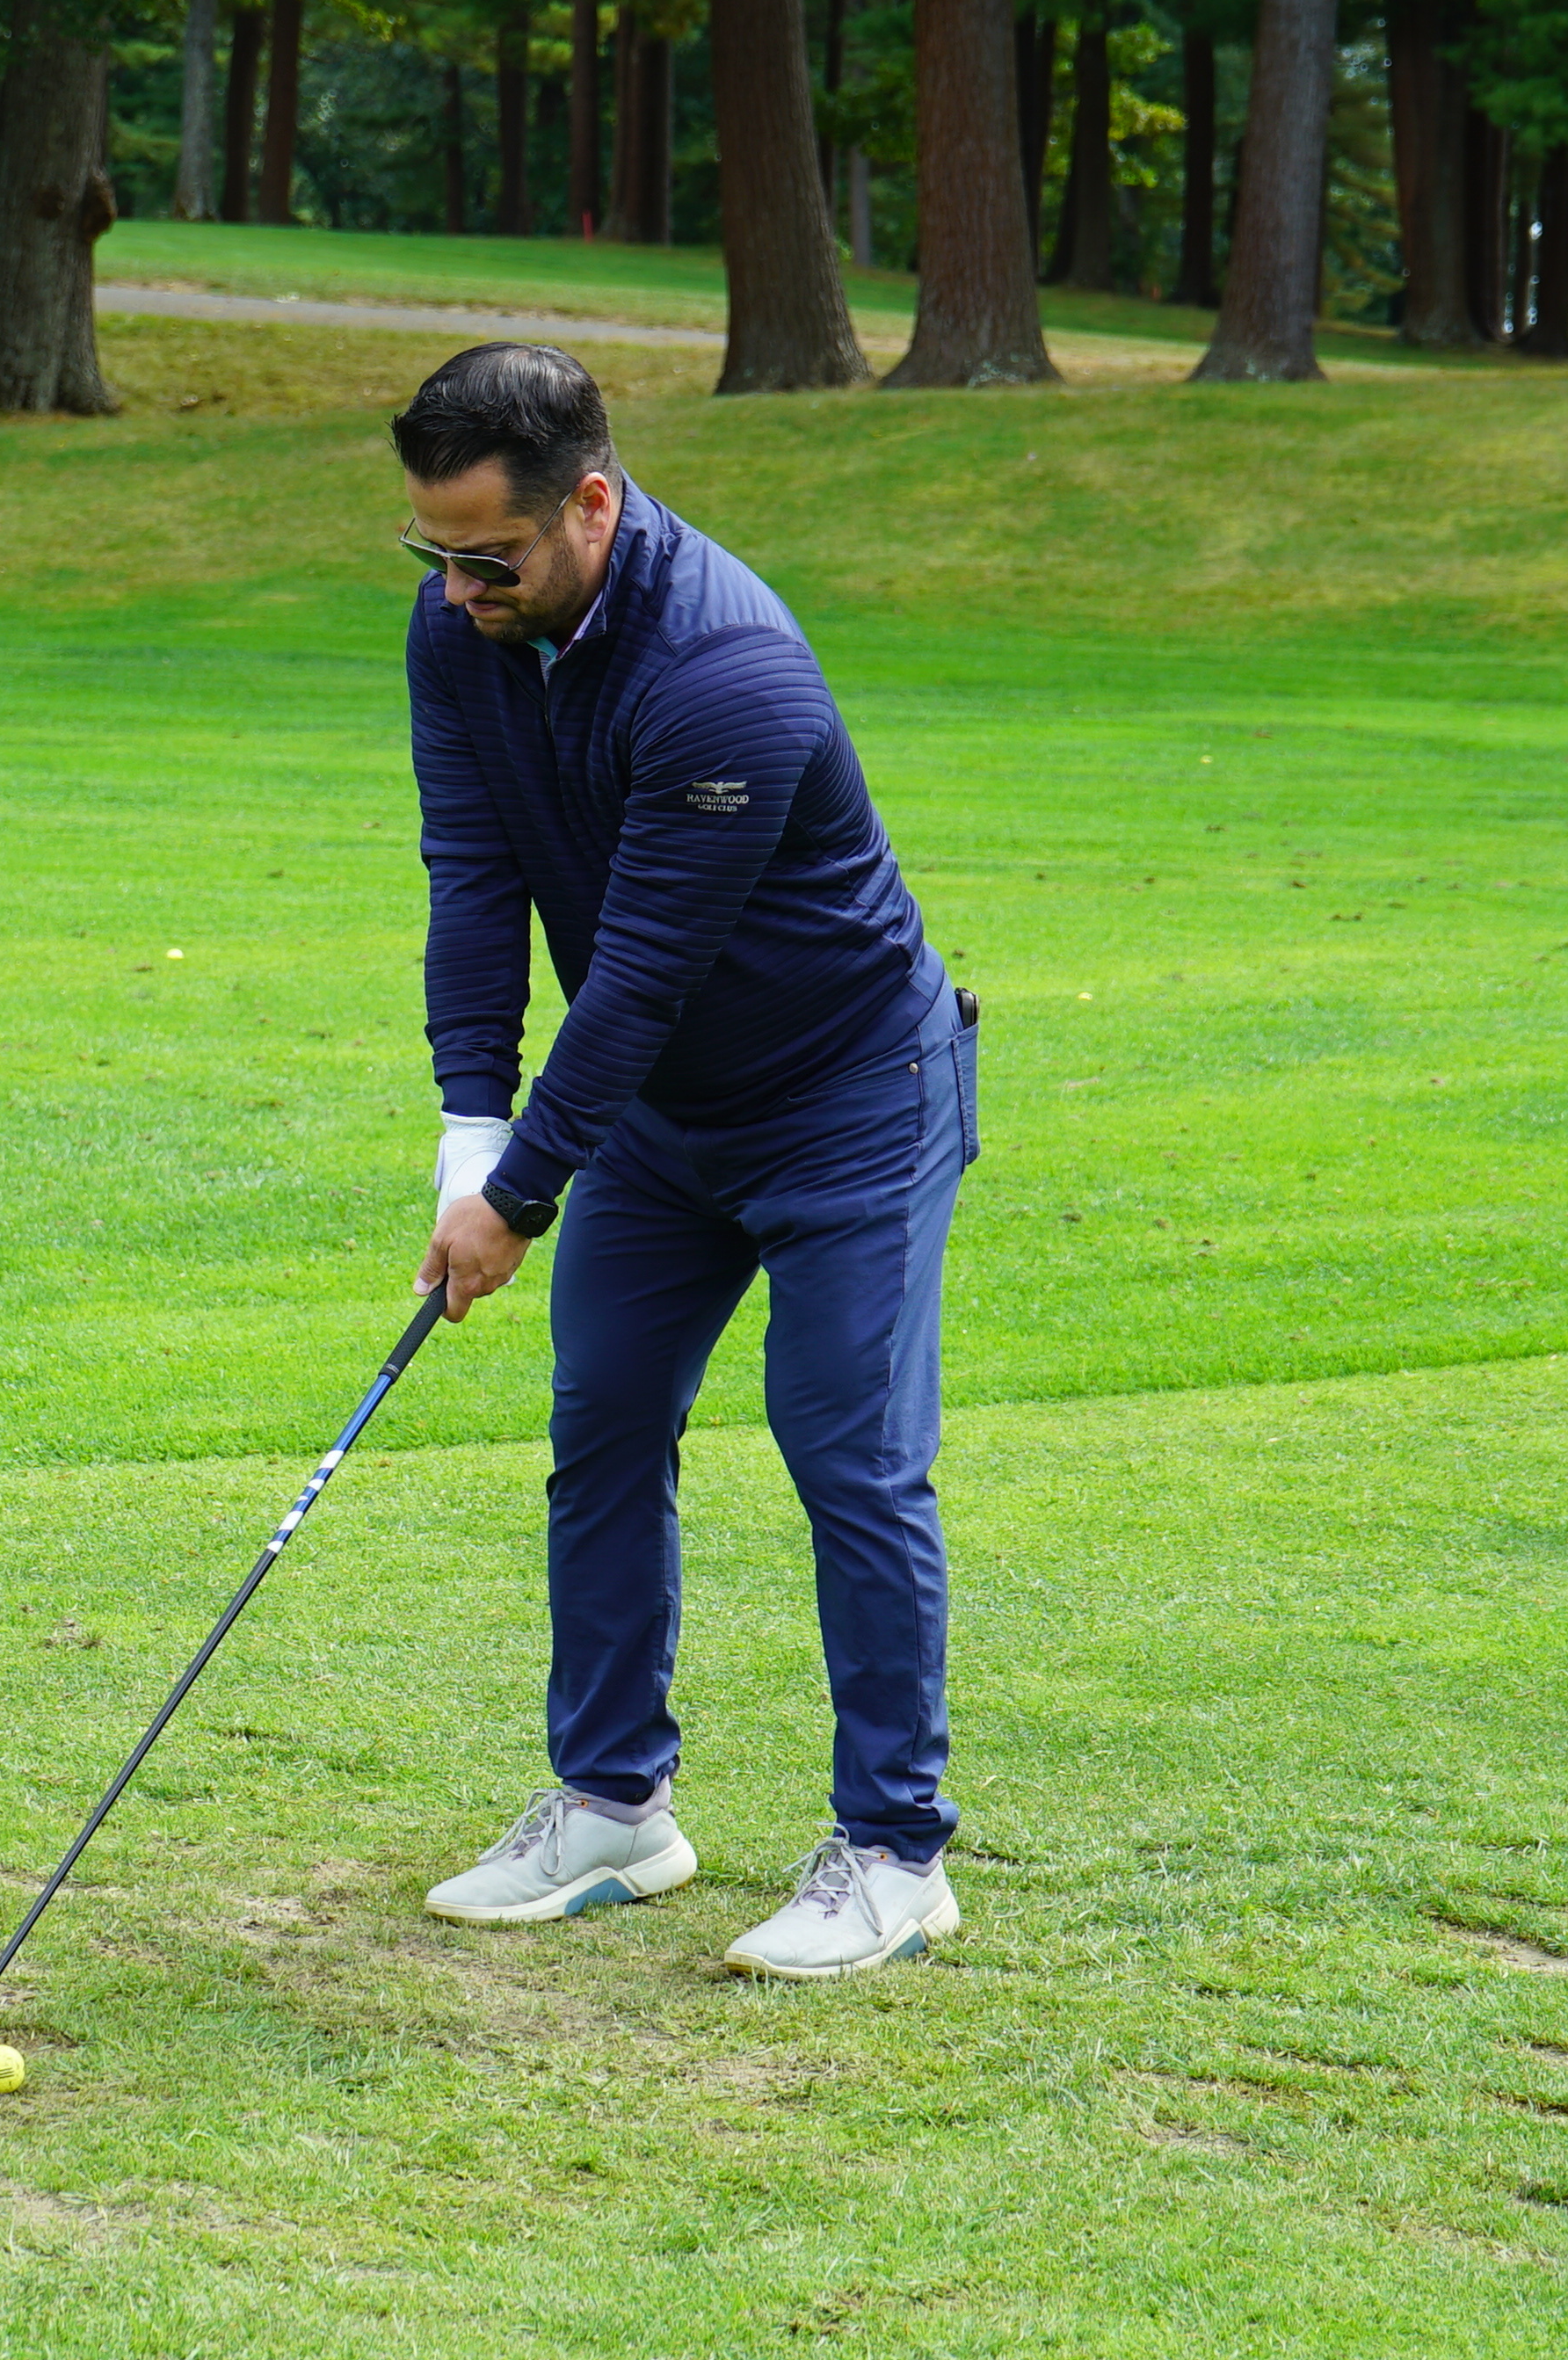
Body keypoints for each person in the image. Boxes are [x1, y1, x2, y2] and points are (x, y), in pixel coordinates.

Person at [392, 342, 977, 1981]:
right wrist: (470, 1136)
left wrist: (519, 1198)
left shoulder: (729, 669)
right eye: (433, 552)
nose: (458, 590)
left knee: (847, 1452)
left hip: (850, 1096)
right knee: (604, 1421)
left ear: (592, 501)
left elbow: (642, 973)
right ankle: (615, 1807)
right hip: (662, 1117)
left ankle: (897, 1855)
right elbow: (473, 877)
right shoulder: (461, 629)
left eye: (492, 558)